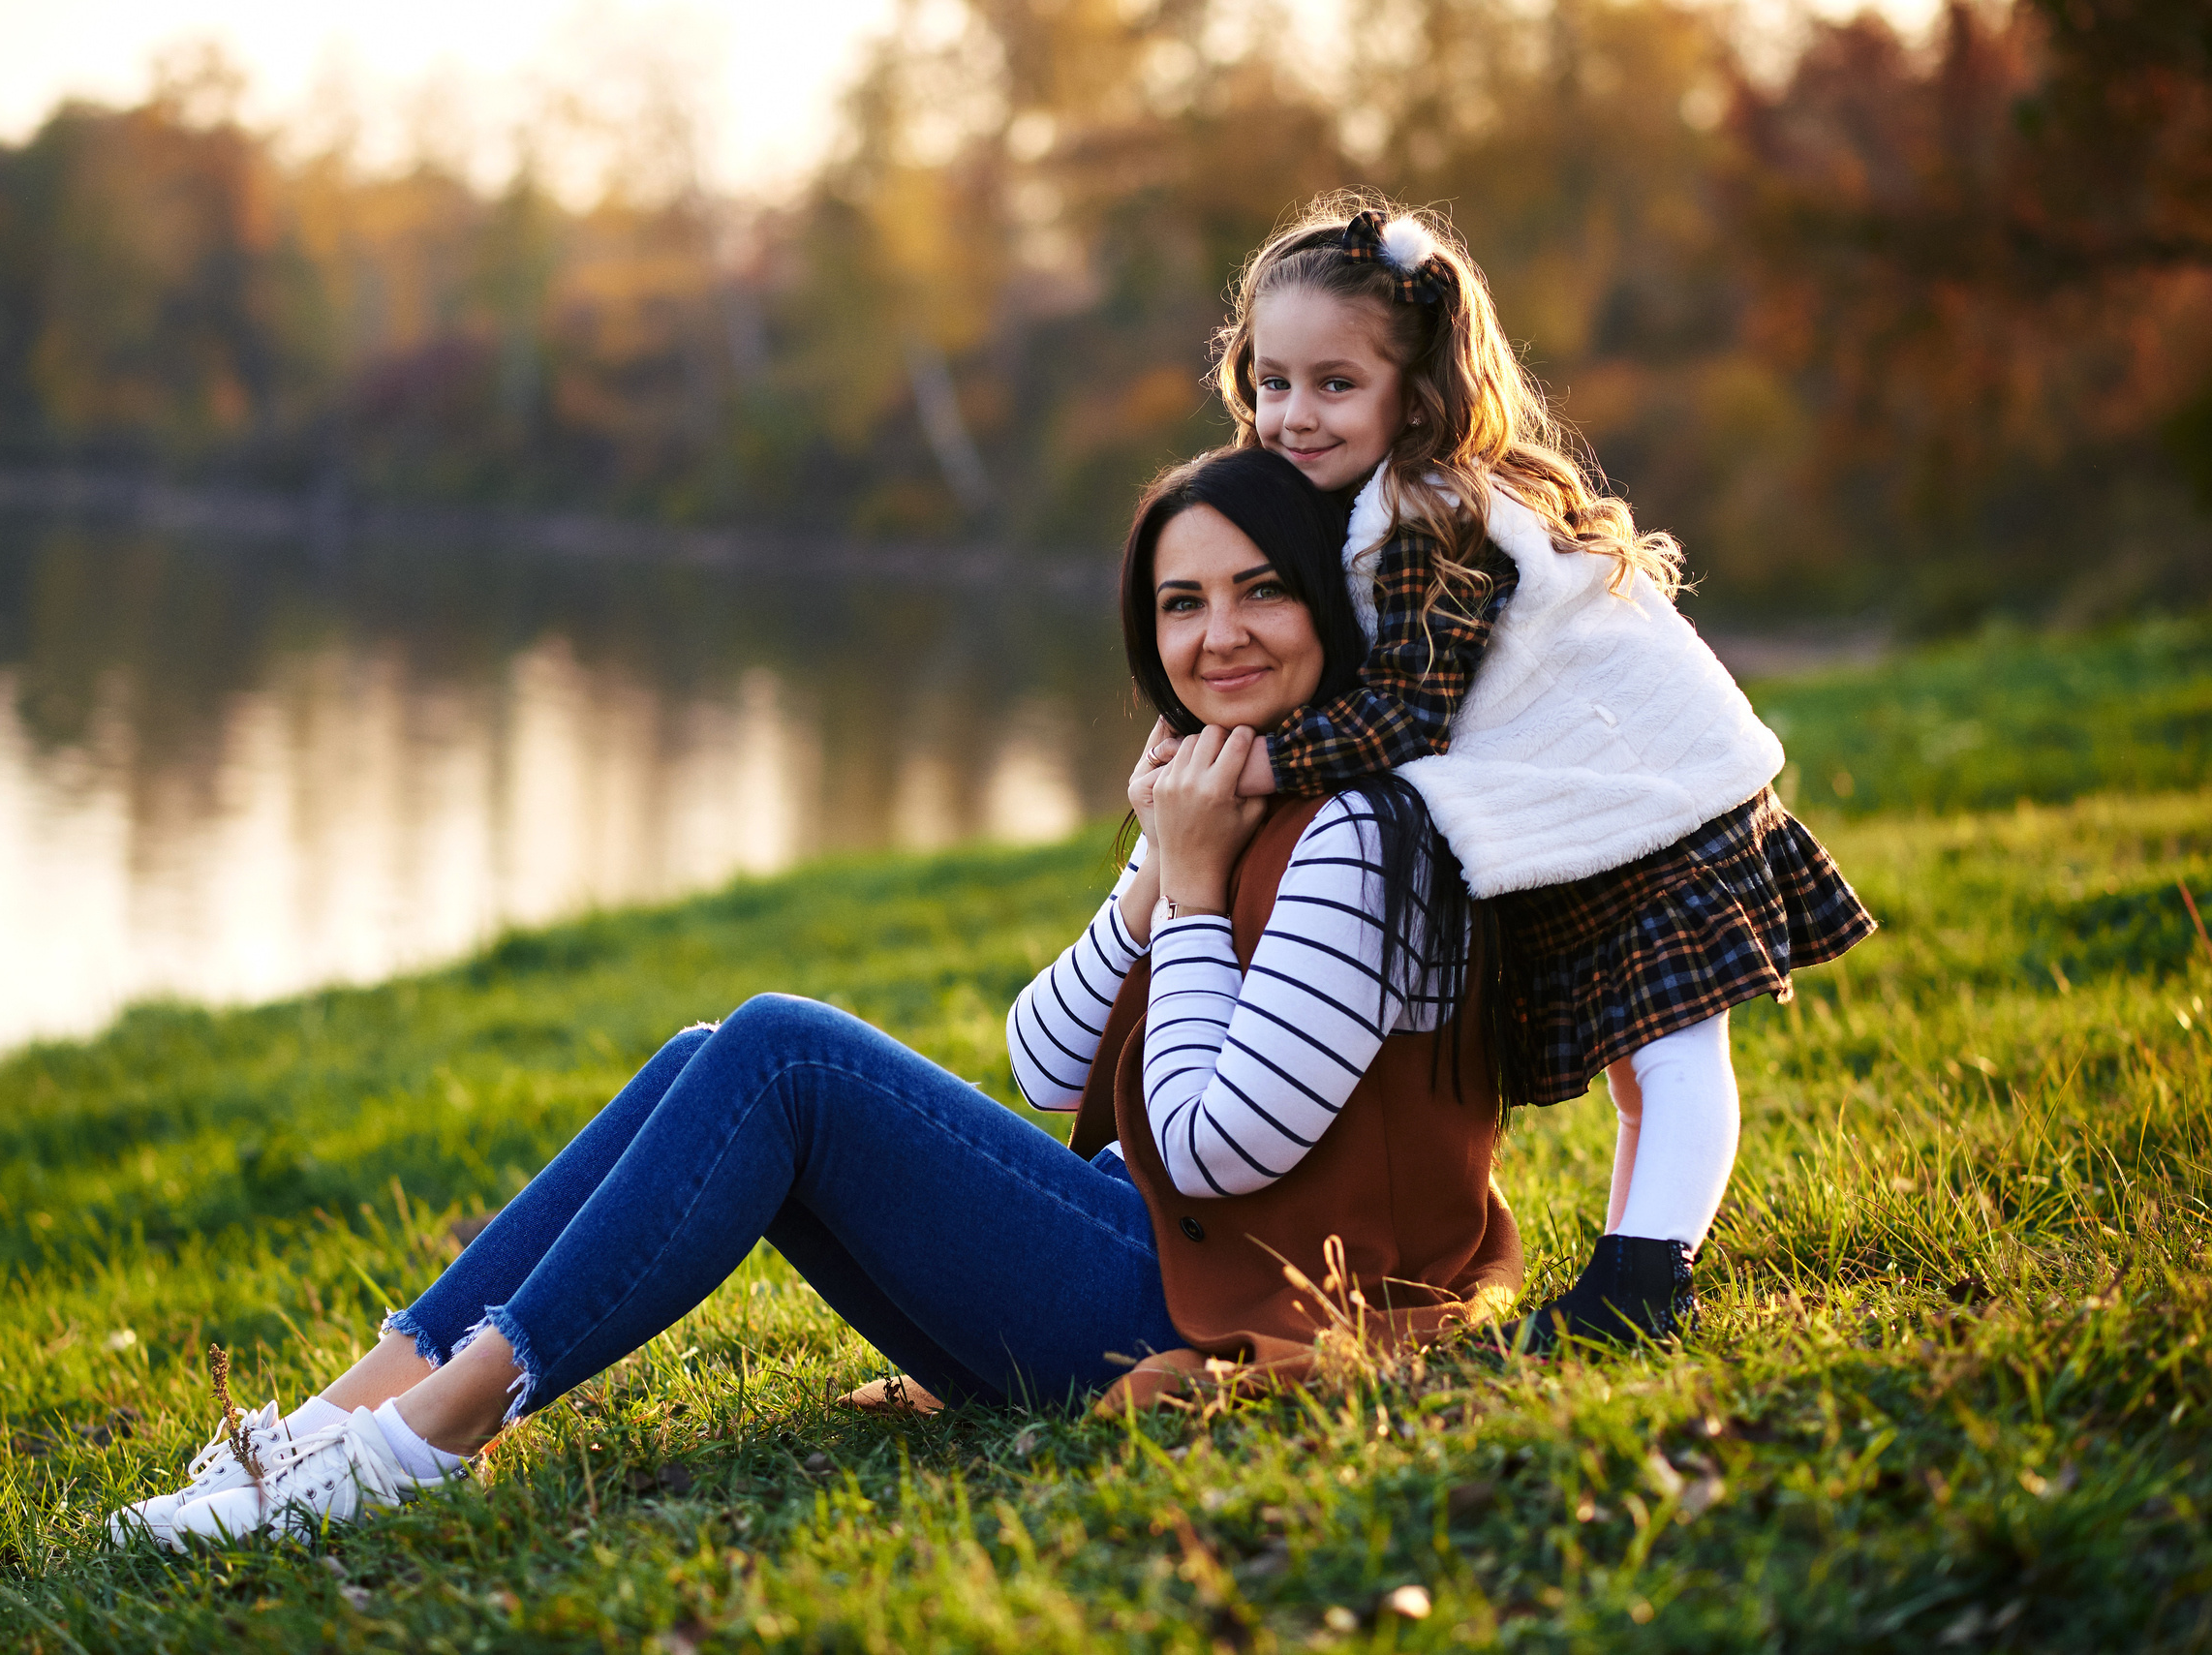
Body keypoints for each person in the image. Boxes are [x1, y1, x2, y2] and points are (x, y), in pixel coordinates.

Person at [106, 446, 1514, 1549]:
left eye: (1261, 589)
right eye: (1181, 602)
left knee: (780, 1052)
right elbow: (1043, 1057)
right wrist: (1158, 877)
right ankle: (328, 1425)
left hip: (1246, 1315)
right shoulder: (1229, 790)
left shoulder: (1361, 835)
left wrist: (1196, 890)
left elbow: (1221, 1150)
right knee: (703, 1058)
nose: (1219, 636)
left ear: (1327, 601)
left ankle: (419, 1445)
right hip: (1165, 1261)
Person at [1202, 192, 1877, 1351]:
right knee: (1642, 1068)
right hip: (1611, 798)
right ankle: (1632, 1267)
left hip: (1655, 800)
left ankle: (1647, 1276)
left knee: (1673, 1053)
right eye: (1272, 382)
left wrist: (1257, 761)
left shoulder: (1425, 515)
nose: (1293, 414)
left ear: (1415, 393)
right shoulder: (1396, 498)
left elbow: (1405, 716)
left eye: (1333, 384)